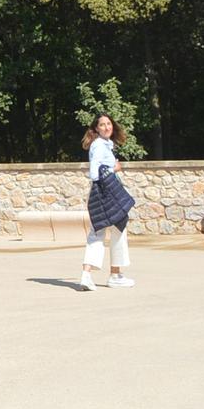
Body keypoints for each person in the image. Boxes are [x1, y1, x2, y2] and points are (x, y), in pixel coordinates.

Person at [80, 112, 136, 291]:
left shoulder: (104, 145)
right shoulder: (99, 145)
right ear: (96, 128)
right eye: (102, 124)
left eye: (109, 124)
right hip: (106, 193)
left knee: (100, 232)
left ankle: (88, 275)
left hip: (102, 194)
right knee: (116, 230)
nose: (107, 127)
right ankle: (114, 275)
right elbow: (95, 172)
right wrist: (114, 168)